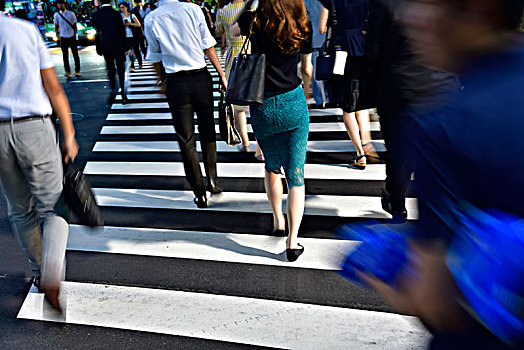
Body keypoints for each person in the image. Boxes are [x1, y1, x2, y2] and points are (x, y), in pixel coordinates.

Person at [362, 0, 524, 348]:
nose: (407, 18)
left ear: (481, 10)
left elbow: (433, 299)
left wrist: (378, 268)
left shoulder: (443, 127)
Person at [0, 2, 79, 312]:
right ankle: (51, 273)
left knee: (19, 209)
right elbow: (53, 87)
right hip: (33, 126)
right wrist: (69, 135)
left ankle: (36, 271)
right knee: (54, 206)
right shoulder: (24, 30)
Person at [365, 0, 460, 221]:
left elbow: (372, 50)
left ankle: (397, 204)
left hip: (399, 86)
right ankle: (441, 212)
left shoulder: (385, 5)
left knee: (399, 153)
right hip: (441, 85)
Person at [231, 0, 311, 262]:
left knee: (271, 166)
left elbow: (231, 31)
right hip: (293, 102)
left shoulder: (255, 21)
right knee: (296, 175)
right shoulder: (301, 24)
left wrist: (250, 6)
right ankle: (292, 241)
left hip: (262, 105)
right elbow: (307, 69)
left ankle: (278, 219)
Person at [145, 0, 228, 209]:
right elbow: (208, 46)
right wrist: (222, 75)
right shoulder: (193, 10)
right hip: (201, 78)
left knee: (186, 139)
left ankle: (199, 193)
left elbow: (155, 56)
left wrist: (161, 80)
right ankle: (213, 180)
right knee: (208, 130)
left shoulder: (152, 18)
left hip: (176, 82)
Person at [318, 0, 375, 169]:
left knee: (346, 107)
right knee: (360, 101)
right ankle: (367, 143)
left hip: (340, 51)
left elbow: (322, 28)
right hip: (361, 48)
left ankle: (360, 153)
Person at [215, 0, 252, 152]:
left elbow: (219, 31)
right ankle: (261, 150)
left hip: (234, 58)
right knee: (257, 102)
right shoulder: (252, 7)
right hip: (252, 55)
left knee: (238, 106)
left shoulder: (224, 12)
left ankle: (245, 144)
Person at [92, 0, 130, 105]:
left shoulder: (96, 15)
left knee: (110, 69)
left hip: (106, 45)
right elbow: (122, 31)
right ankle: (123, 92)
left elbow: (96, 32)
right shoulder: (116, 14)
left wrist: (98, 47)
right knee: (121, 69)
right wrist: (126, 46)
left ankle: (113, 89)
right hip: (118, 45)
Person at [304, 0, 328, 108]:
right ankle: (330, 96)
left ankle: (320, 99)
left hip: (314, 38)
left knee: (316, 71)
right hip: (328, 37)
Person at [54, 0, 81, 77]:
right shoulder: (56, 15)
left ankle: (77, 70)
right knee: (65, 55)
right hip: (63, 37)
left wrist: (74, 35)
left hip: (71, 36)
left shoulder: (71, 13)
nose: (60, 5)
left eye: (61, 3)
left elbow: (75, 25)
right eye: (58, 4)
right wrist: (57, 35)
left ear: (64, 4)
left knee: (75, 54)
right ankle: (68, 71)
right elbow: (56, 26)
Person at [119, 1, 142, 72]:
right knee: (129, 51)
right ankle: (132, 66)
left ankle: (140, 63)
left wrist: (130, 24)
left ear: (126, 7)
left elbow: (138, 24)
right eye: (120, 8)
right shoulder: (120, 17)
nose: (121, 9)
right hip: (126, 36)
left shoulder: (132, 15)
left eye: (123, 7)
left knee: (136, 49)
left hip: (134, 36)